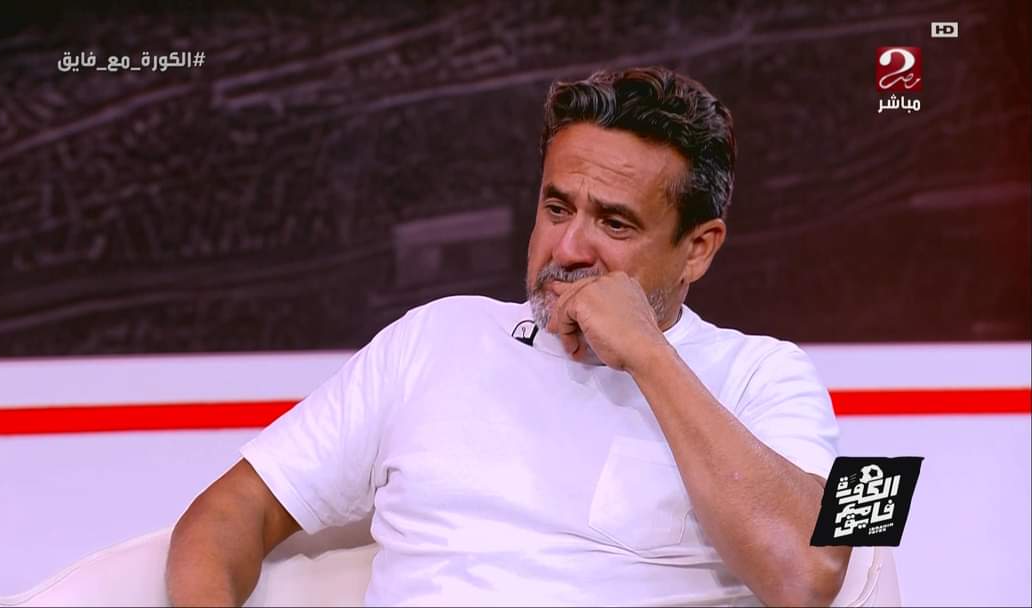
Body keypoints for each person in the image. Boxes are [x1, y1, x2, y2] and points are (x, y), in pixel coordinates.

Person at [166, 66, 851, 607]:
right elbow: (230, 511)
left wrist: (649, 355)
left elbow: (812, 575)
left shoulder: (770, 373)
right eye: (556, 208)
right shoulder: (435, 336)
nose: (570, 248)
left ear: (698, 249)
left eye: (614, 223)